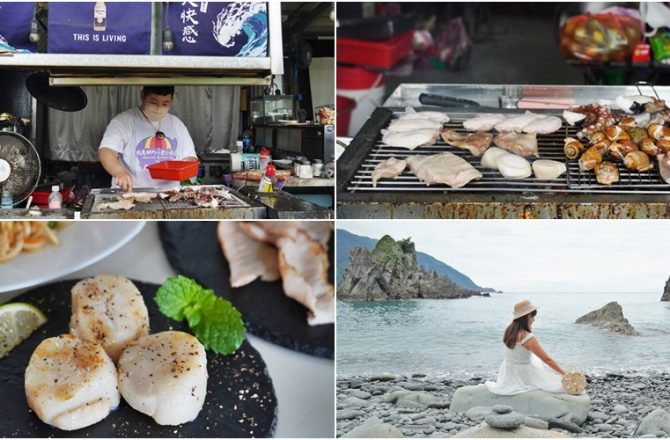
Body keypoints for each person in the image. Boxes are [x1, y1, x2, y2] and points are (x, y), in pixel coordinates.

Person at [98, 86, 197, 192]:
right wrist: (119, 172)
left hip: (170, 194)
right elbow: (106, 151)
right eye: (153, 102)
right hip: (131, 192)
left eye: (165, 104)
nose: (159, 108)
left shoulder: (177, 124)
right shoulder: (124, 121)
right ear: (142, 96)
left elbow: (190, 157)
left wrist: (188, 163)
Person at [485, 300, 566, 395]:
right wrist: (564, 374)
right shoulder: (527, 337)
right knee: (558, 386)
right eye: (533, 315)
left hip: (508, 370)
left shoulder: (509, 329)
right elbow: (547, 360)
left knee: (534, 358)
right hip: (521, 374)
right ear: (527, 316)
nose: (534, 319)